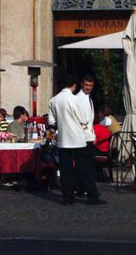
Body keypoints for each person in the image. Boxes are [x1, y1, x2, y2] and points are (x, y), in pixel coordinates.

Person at [48, 73, 105, 206]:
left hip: (63, 140)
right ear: (74, 85)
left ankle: (68, 198)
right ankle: (92, 196)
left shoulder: (54, 100)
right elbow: (83, 119)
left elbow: (51, 121)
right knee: (86, 169)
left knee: (65, 170)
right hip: (78, 140)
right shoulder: (75, 99)